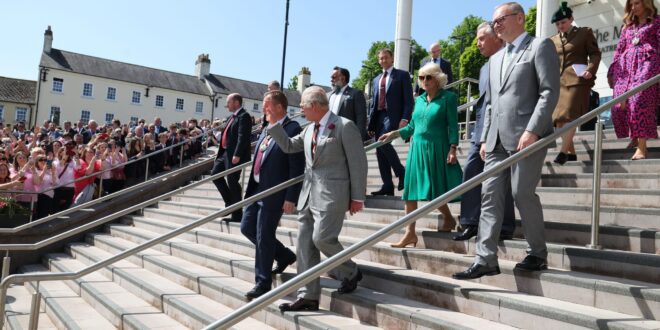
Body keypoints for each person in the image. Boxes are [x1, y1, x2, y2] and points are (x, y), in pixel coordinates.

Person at [453, 2, 560, 280]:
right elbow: (490, 104)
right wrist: (487, 137)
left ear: (520, 19)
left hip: (528, 137)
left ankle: (537, 252)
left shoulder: (540, 47)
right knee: (489, 196)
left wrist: (533, 130)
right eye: (494, 21)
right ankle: (485, 258)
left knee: (522, 193)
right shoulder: (494, 59)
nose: (496, 24)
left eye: (501, 19)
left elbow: (549, 92)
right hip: (496, 140)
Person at [270, 86, 368, 312]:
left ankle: (351, 271)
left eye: (303, 106)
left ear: (314, 105)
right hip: (308, 196)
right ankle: (308, 296)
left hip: (333, 195)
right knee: (304, 246)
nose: (301, 110)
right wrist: (274, 124)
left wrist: (357, 197)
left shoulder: (344, 126)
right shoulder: (308, 130)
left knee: (322, 238)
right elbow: (287, 146)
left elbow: (358, 163)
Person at [379, 63, 462, 248]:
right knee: (410, 190)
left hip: (437, 148)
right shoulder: (419, 100)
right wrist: (393, 134)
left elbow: (453, 125)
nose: (424, 81)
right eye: (421, 77)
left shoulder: (448, 98)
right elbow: (412, 127)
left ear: (437, 78)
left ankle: (448, 218)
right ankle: (410, 233)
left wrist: (453, 148)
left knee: (435, 189)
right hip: (416, 149)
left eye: (428, 77)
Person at [454, 22, 516, 242]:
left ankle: (506, 226)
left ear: (497, 38)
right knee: (471, 172)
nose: (477, 44)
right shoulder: (484, 68)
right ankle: (470, 222)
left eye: (481, 38)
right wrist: (480, 137)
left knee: (502, 177)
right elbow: (484, 105)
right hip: (481, 130)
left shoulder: (512, 59)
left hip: (504, 130)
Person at [241, 91, 304, 301]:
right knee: (247, 227)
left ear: (279, 107)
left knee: (263, 236)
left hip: (275, 193)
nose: (263, 109)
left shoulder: (293, 129)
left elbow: (297, 166)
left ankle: (262, 283)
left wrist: (291, 196)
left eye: (267, 105)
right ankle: (284, 255)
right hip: (258, 189)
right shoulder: (266, 128)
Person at [549, 2, 602, 164]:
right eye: (557, 24)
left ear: (571, 19)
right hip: (558, 83)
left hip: (578, 80)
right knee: (559, 119)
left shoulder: (584, 33)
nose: (560, 26)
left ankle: (563, 152)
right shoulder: (552, 40)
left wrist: (591, 70)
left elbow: (595, 54)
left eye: (563, 22)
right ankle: (571, 151)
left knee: (570, 116)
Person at [608, 0, 659, 160]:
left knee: (638, 101)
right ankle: (635, 136)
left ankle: (642, 148)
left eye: (637, 3)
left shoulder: (657, 22)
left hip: (647, 63)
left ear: (646, 3)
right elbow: (619, 49)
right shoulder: (627, 26)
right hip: (625, 67)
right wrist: (611, 70)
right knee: (618, 105)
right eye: (631, 4)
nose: (633, 7)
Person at [368, 48, 411, 196]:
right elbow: (373, 103)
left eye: (386, 57)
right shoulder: (375, 79)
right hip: (378, 116)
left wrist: (405, 118)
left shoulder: (402, 75)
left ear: (392, 58)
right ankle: (387, 185)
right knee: (379, 149)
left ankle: (401, 172)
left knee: (383, 143)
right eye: (380, 58)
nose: (383, 61)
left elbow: (408, 100)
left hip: (393, 116)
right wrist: (370, 124)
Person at [211, 93, 251, 223]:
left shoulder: (244, 116)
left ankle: (237, 214)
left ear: (236, 103)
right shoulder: (231, 117)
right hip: (224, 154)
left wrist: (237, 154)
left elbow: (242, 137)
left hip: (234, 155)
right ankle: (230, 203)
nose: (226, 105)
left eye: (228, 102)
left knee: (233, 182)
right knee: (215, 174)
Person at [328, 66, 368, 140]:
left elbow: (361, 118)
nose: (331, 80)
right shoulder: (329, 95)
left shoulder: (355, 93)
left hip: (347, 136)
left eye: (334, 77)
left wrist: (359, 137)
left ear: (343, 78)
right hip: (329, 135)